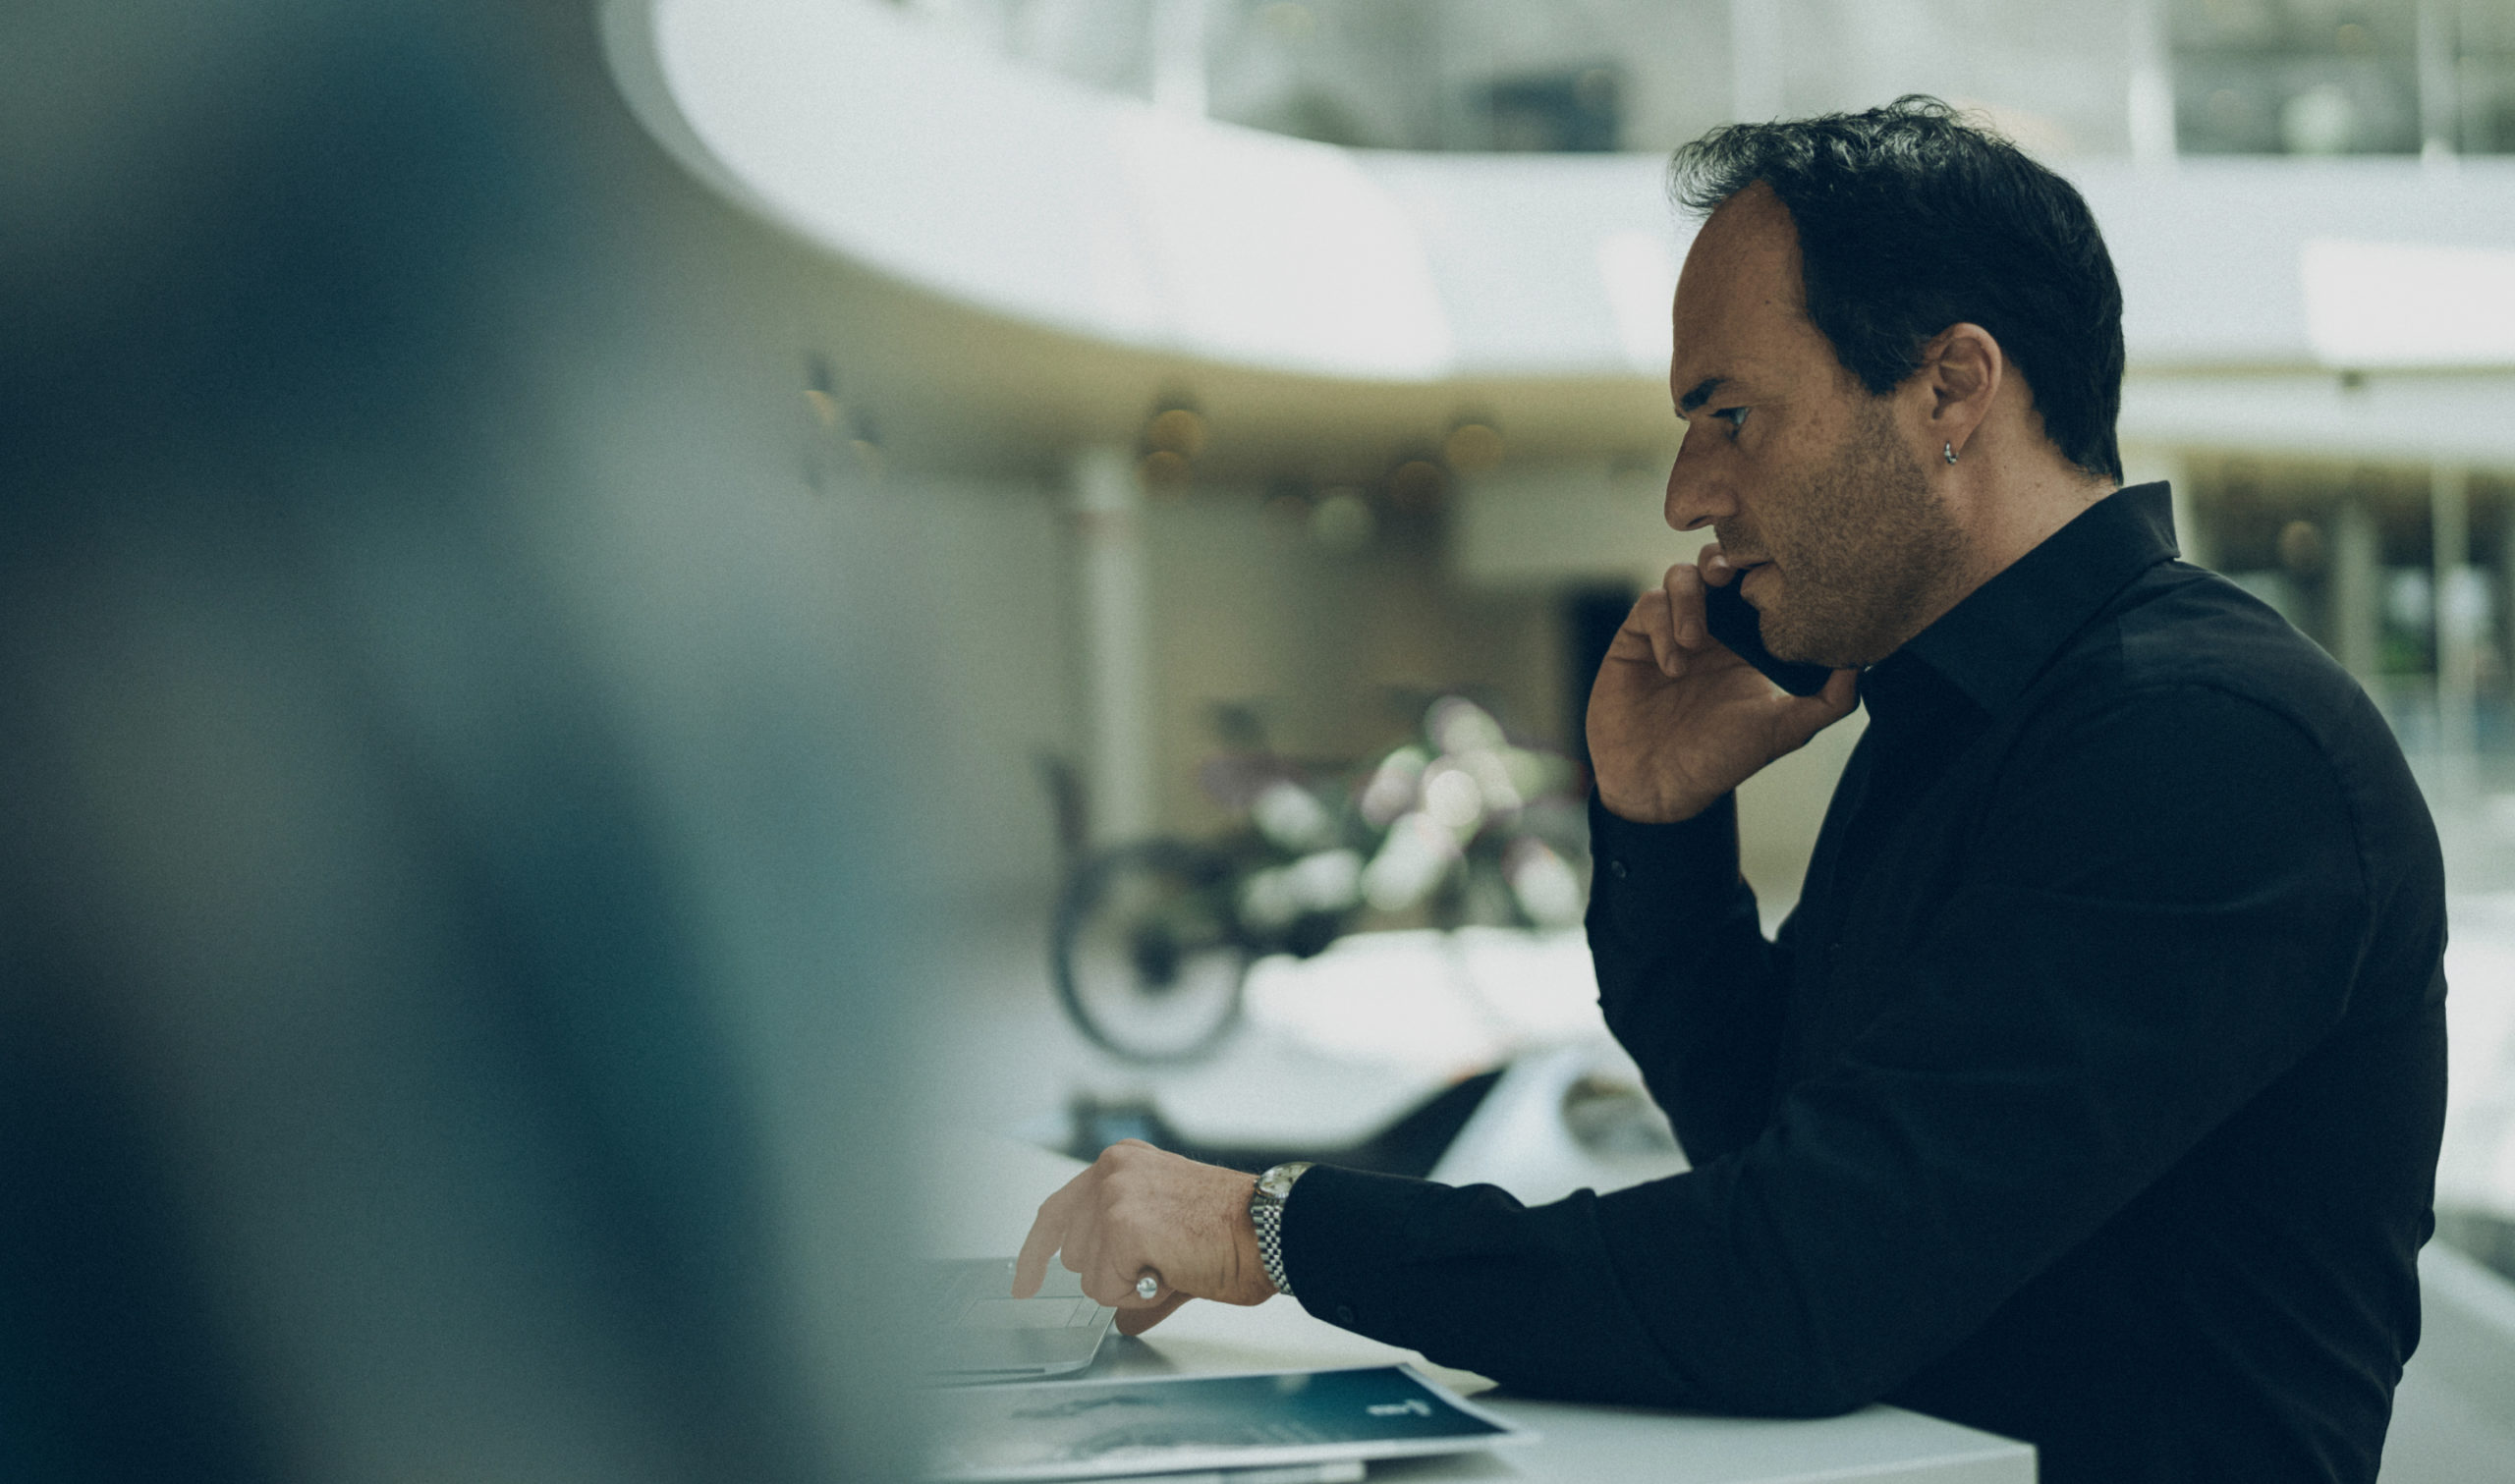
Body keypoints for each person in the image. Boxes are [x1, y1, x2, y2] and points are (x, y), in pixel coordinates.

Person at [1013, 97, 2445, 1484]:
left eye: (1732, 414)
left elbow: (1797, 1284)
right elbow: (1777, 1148)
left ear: (1952, 388)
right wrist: (1661, 824)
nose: (1687, 493)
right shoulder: (1960, 718)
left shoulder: (2205, 744)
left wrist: (1276, 1226)